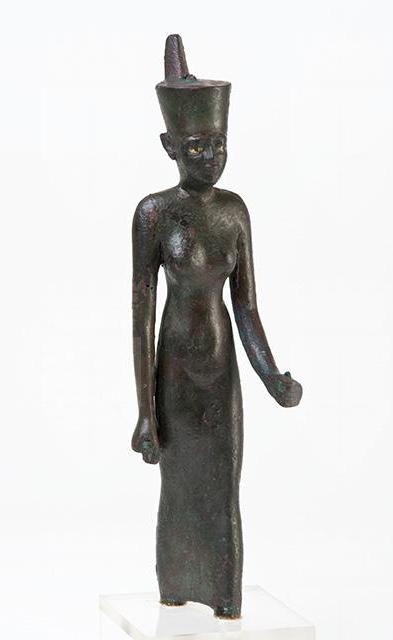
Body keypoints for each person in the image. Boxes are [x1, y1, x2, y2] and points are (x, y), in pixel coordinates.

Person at [131, 34, 302, 619]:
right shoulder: (154, 213)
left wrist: (271, 376)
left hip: (220, 370)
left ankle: (225, 598)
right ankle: (175, 588)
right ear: (170, 146)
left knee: (224, 488)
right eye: (196, 147)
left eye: (218, 145)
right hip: (174, 373)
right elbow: (140, 315)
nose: (209, 158)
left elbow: (247, 307)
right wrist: (145, 412)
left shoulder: (233, 212)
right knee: (177, 486)